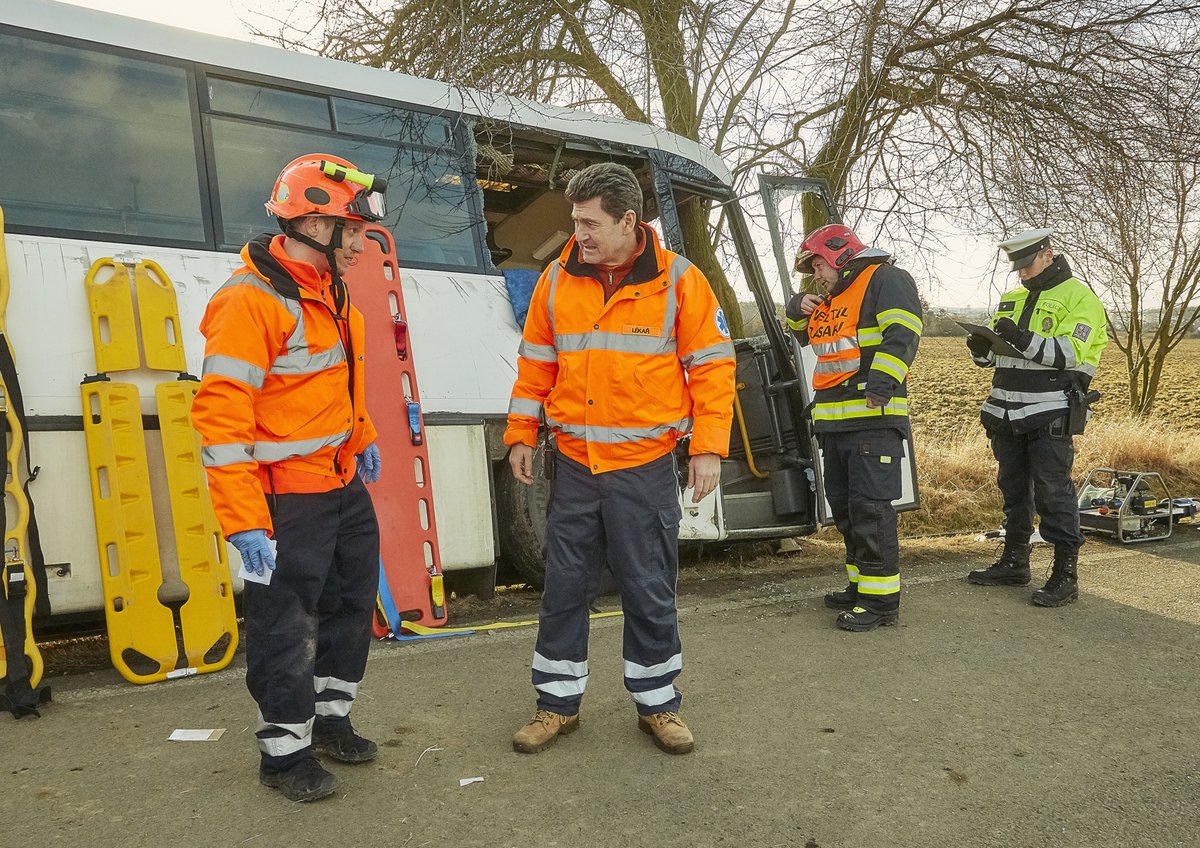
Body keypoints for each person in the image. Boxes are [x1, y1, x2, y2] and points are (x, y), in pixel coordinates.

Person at [505, 162, 735, 756]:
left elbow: (712, 370)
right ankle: (555, 706)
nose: (577, 234)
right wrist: (520, 434)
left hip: (644, 466)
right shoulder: (557, 281)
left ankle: (659, 706)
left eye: (588, 222)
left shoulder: (681, 282)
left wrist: (708, 448)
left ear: (628, 221)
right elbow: (535, 366)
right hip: (576, 465)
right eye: (574, 221)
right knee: (563, 586)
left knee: (649, 587)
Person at [191, 154, 386, 802]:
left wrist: (364, 439)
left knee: (352, 605)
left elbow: (335, 387)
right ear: (309, 225)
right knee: (285, 625)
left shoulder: (329, 289)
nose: (361, 244)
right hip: (286, 500)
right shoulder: (249, 302)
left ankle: (329, 721)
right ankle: (284, 755)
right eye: (350, 231)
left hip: (340, 487)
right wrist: (245, 522)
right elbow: (221, 423)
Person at [785, 224, 922, 632]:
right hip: (837, 426)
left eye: (818, 265)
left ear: (840, 253)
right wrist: (796, 308)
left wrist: (883, 382)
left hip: (873, 420)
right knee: (847, 512)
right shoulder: (832, 298)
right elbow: (806, 339)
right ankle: (861, 587)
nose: (816, 275)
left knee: (871, 512)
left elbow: (904, 332)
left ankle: (881, 604)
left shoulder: (885, 279)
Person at [964, 228, 1108, 606]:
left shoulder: (1081, 298)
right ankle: (1014, 562)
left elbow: (1070, 354)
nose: (1022, 273)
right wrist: (981, 350)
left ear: (1048, 254)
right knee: (1013, 492)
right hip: (1004, 411)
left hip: (1050, 412)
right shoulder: (1011, 297)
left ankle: (1065, 575)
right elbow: (999, 356)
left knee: (1052, 493)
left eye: (1027, 264)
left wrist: (1021, 338)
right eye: (1017, 267)